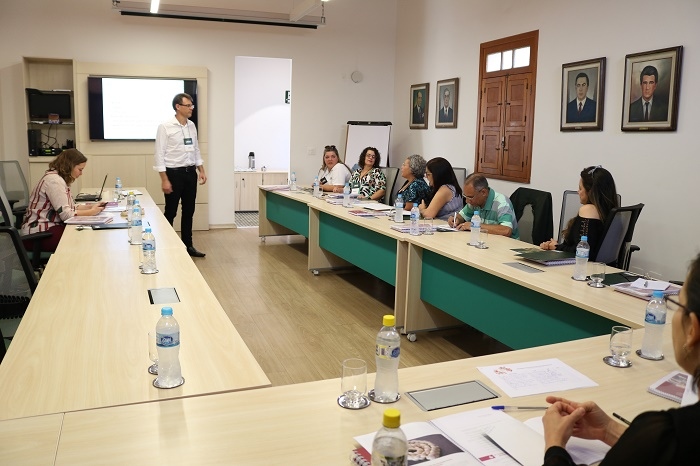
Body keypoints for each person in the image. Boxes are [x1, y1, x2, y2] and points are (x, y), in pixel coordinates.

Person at [542, 252, 700, 465]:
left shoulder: (674, 433)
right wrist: (608, 429)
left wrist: (554, 444)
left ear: (693, 330)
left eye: (678, 305)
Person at [154, 92, 207, 258]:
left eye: (192, 105)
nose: (191, 108)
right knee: (171, 211)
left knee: (189, 211)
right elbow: (159, 155)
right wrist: (164, 179)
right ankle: (167, 245)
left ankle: (188, 245)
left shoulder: (191, 126)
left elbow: (195, 149)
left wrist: (201, 170)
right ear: (178, 106)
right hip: (173, 174)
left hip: (190, 173)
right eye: (188, 105)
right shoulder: (165, 127)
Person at [21, 149, 105, 252]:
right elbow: (66, 215)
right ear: (70, 166)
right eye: (80, 169)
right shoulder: (54, 181)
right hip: (38, 235)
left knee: (83, 235)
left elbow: (70, 207)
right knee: (80, 240)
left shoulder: (57, 178)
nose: (81, 173)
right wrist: (92, 212)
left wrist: (91, 207)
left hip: (46, 229)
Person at [539, 165, 618, 261]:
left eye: (580, 188)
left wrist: (556, 247)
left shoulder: (588, 210)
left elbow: (582, 251)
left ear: (590, 191)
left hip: (582, 266)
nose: (578, 192)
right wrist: (557, 246)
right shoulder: (610, 212)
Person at [448, 173, 519, 239]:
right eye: (465, 196)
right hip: (485, 240)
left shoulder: (502, 203)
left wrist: (475, 226)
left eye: (470, 197)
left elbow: (506, 231)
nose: (467, 201)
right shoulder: (474, 202)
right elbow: (462, 216)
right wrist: (456, 219)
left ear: (483, 192)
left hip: (508, 245)